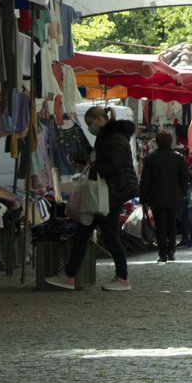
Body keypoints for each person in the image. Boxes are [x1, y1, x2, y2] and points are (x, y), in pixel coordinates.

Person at [47, 106, 138, 292]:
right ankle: (70, 276)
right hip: (105, 193)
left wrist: (92, 170)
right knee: (84, 232)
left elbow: (112, 166)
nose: (90, 127)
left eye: (90, 123)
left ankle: (122, 278)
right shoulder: (107, 136)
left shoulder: (114, 138)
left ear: (99, 119)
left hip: (111, 194)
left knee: (108, 235)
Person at [139, 131, 189, 263]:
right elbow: (183, 178)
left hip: (156, 197)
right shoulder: (179, 158)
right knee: (172, 224)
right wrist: (184, 193)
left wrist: (142, 197)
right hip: (174, 196)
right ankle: (172, 251)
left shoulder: (150, 158)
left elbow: (145, 180)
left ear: (157, 141)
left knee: (160, 224)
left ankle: (162, 253)